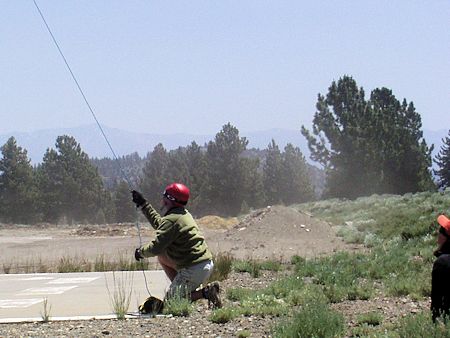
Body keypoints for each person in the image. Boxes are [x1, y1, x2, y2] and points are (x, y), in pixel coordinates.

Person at [131, 183, 222, 310]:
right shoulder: (183, 214)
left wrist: (140, 252)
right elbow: (161, 224)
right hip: (204, 264)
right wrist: (143, 205)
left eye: (164, 197)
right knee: (162, 256)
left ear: (169, 200)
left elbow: (155, 248)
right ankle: (182, 288)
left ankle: (206, 292)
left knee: (170, 304)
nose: (162, 199)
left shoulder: (171, 220)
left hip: (194, 268)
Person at [431, 214, 450, 322]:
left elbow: (437, 298)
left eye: (441, 231)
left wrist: (436, 321)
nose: (438, 234)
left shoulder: (442, 262)